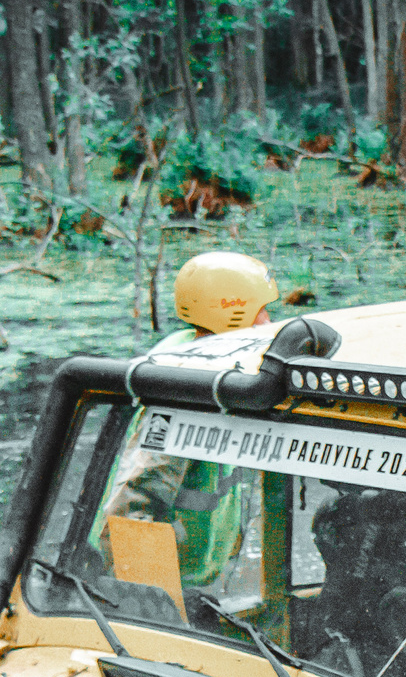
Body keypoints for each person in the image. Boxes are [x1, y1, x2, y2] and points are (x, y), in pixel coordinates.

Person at [105, 251, 282, 590]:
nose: (267, 320)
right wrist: (151, 605)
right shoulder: (186, 390)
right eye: (261, 309)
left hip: (195, 575)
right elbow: (131, 511)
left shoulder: (208, 363)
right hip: (161, 587)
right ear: (234, 311)